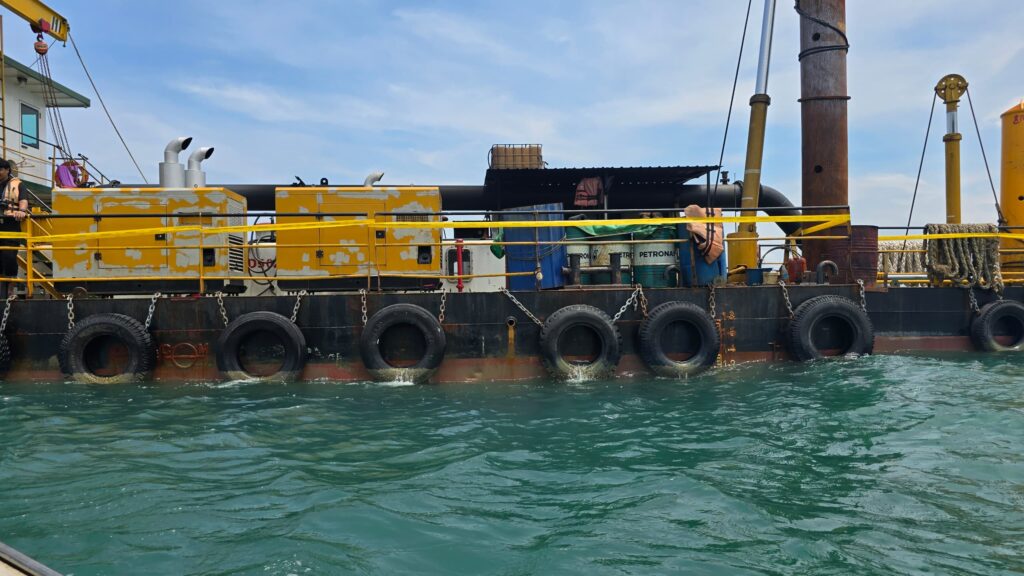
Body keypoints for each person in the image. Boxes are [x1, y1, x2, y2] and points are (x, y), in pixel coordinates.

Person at [0, 159, 29, 299]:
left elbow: (23, 200)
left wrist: (22, 211)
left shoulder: (18, 185)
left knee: (9, 256)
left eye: (0, 169)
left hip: (10, 224)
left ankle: (10, 289)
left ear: (7, 170)